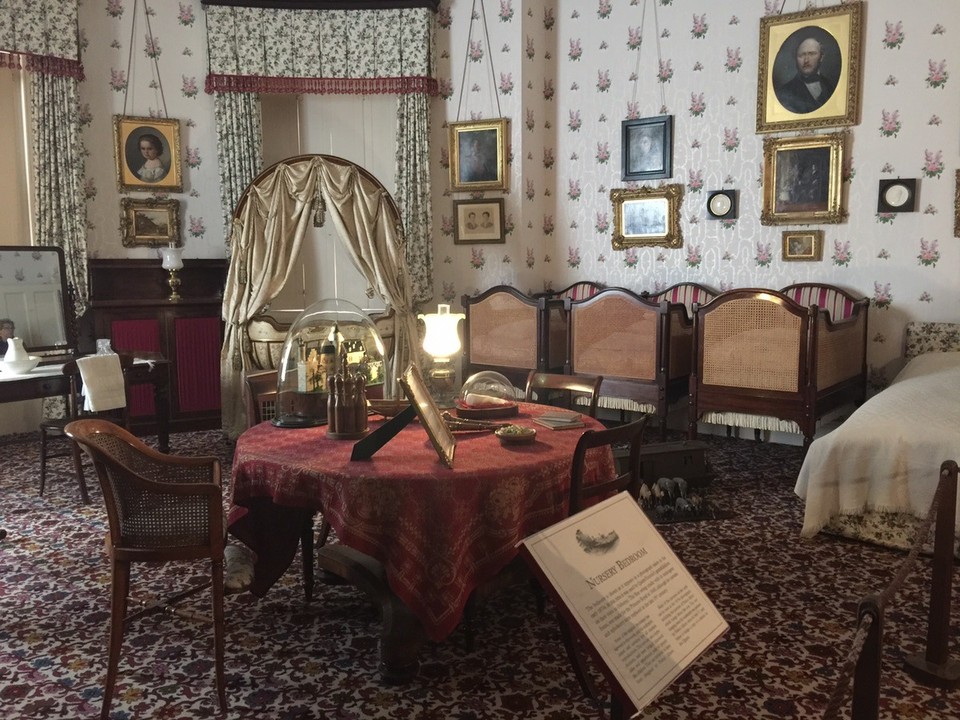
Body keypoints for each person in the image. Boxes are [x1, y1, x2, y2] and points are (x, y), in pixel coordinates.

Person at [774, 36, 836, 114]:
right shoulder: (783, 93)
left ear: (821, 57)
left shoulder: (831, 86)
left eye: (812, 54)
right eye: (801, 55)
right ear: (795, 59)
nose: (806, 60)